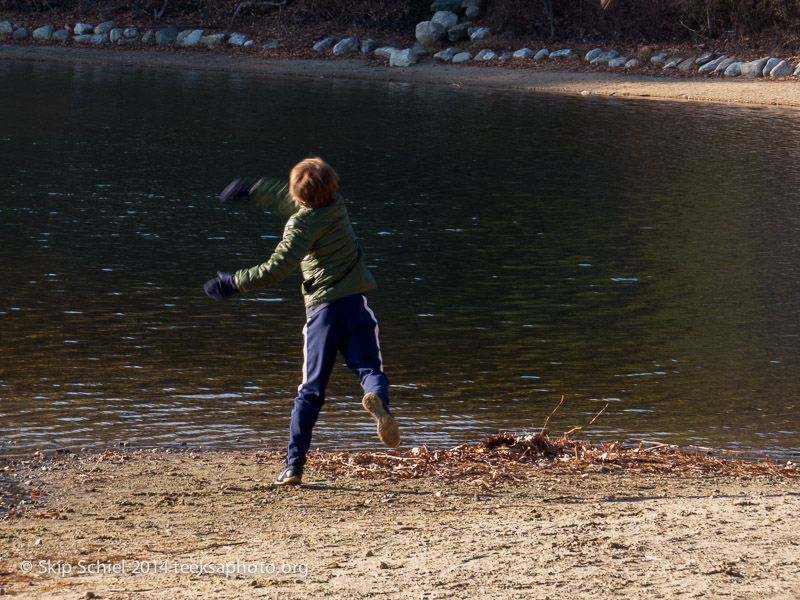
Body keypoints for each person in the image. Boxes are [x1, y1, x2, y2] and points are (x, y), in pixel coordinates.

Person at [204, 157, 399, 486]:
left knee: (310, 391)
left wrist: (232, 283)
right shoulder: (337, 206)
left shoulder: (300, 226)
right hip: (355, 305)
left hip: (322, 313)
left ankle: (294, 466)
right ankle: (379, 403)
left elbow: (276, 267)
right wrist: (254, 189)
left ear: (300, 199)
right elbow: (289, 196)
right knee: (370, 369)